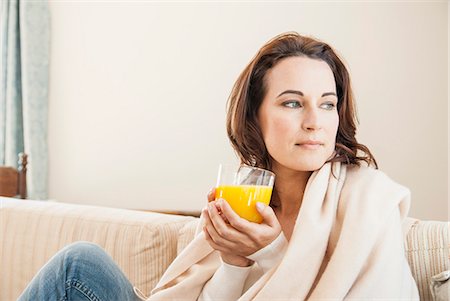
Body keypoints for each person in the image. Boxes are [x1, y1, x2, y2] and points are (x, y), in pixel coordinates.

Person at [18, 32, 419, 301]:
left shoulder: (369, 201)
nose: (315, 120)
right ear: (255, 117)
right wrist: (234, 262)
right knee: (79, 264)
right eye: (293, 102)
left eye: (328, 103)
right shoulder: (243, 198)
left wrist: (271, 252)